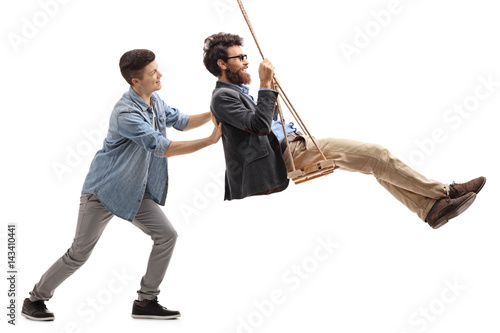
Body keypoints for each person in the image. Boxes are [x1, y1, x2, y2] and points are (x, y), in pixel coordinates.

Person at [203, 32, 485, 229]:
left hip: (292, 143)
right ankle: (445, 190)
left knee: (373, 163)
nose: (247, 61)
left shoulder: (237, 92)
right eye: (240, 57)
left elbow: (264, 121)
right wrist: (265, 85)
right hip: (286, 153)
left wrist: (269, 89)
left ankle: (430, 210)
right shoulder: (222, 97)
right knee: (376, 153)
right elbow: (260, 127)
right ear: (222, 64)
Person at [22, 49, 222, 321]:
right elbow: (161, 147)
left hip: (135, 191)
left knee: (167, 235)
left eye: (157, 68)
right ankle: (34, 299)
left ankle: (146, 301)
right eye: (153, 72)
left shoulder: (156, 101)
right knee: (79, 254)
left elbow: (183, 122)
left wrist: (215, 112)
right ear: (135, 81)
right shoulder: (126, 112)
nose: (160, 74)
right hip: (103, 192)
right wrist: (210, 141)